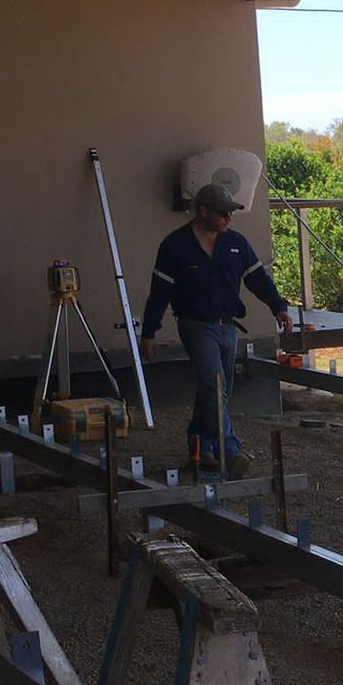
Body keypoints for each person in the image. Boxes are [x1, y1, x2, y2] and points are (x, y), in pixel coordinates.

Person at [139, 182, 291, 478]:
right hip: (196, 326)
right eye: (222, 213)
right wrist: (149, 332)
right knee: (214, 385)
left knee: (218, 391)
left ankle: (201, 447)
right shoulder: (175, 246)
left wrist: (279, 306)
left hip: (228, 327)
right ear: (203, 211)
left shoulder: (236, 244)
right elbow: (159, 292)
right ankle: (230, 450)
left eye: (230, 213)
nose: (228, 219)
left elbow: (258, 279)